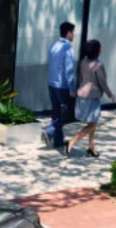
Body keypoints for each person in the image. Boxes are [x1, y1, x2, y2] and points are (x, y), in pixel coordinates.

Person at [66, 39, 116, 158]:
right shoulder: (98, 65)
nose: (102, 48)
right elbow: (102, 83)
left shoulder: (83, 62)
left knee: (93, 122)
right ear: (97, 50)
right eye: (100, 47)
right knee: (92, 125)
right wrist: (110, 94)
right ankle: (71, 142)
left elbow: (80, 78)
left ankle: (91, 147)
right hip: (92, 97)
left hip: (82, 95)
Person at [42, 21, 77, 151]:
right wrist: (72, 89)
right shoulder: (67, 47)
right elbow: (69, 70)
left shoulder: (53, 45)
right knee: (69, 114)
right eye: (73, 32)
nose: (73, 35)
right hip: (62, 86)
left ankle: (58, 141)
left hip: (51, 84)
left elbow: (50, 65)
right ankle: (49, 130)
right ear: (68, 33)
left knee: (56, 113)